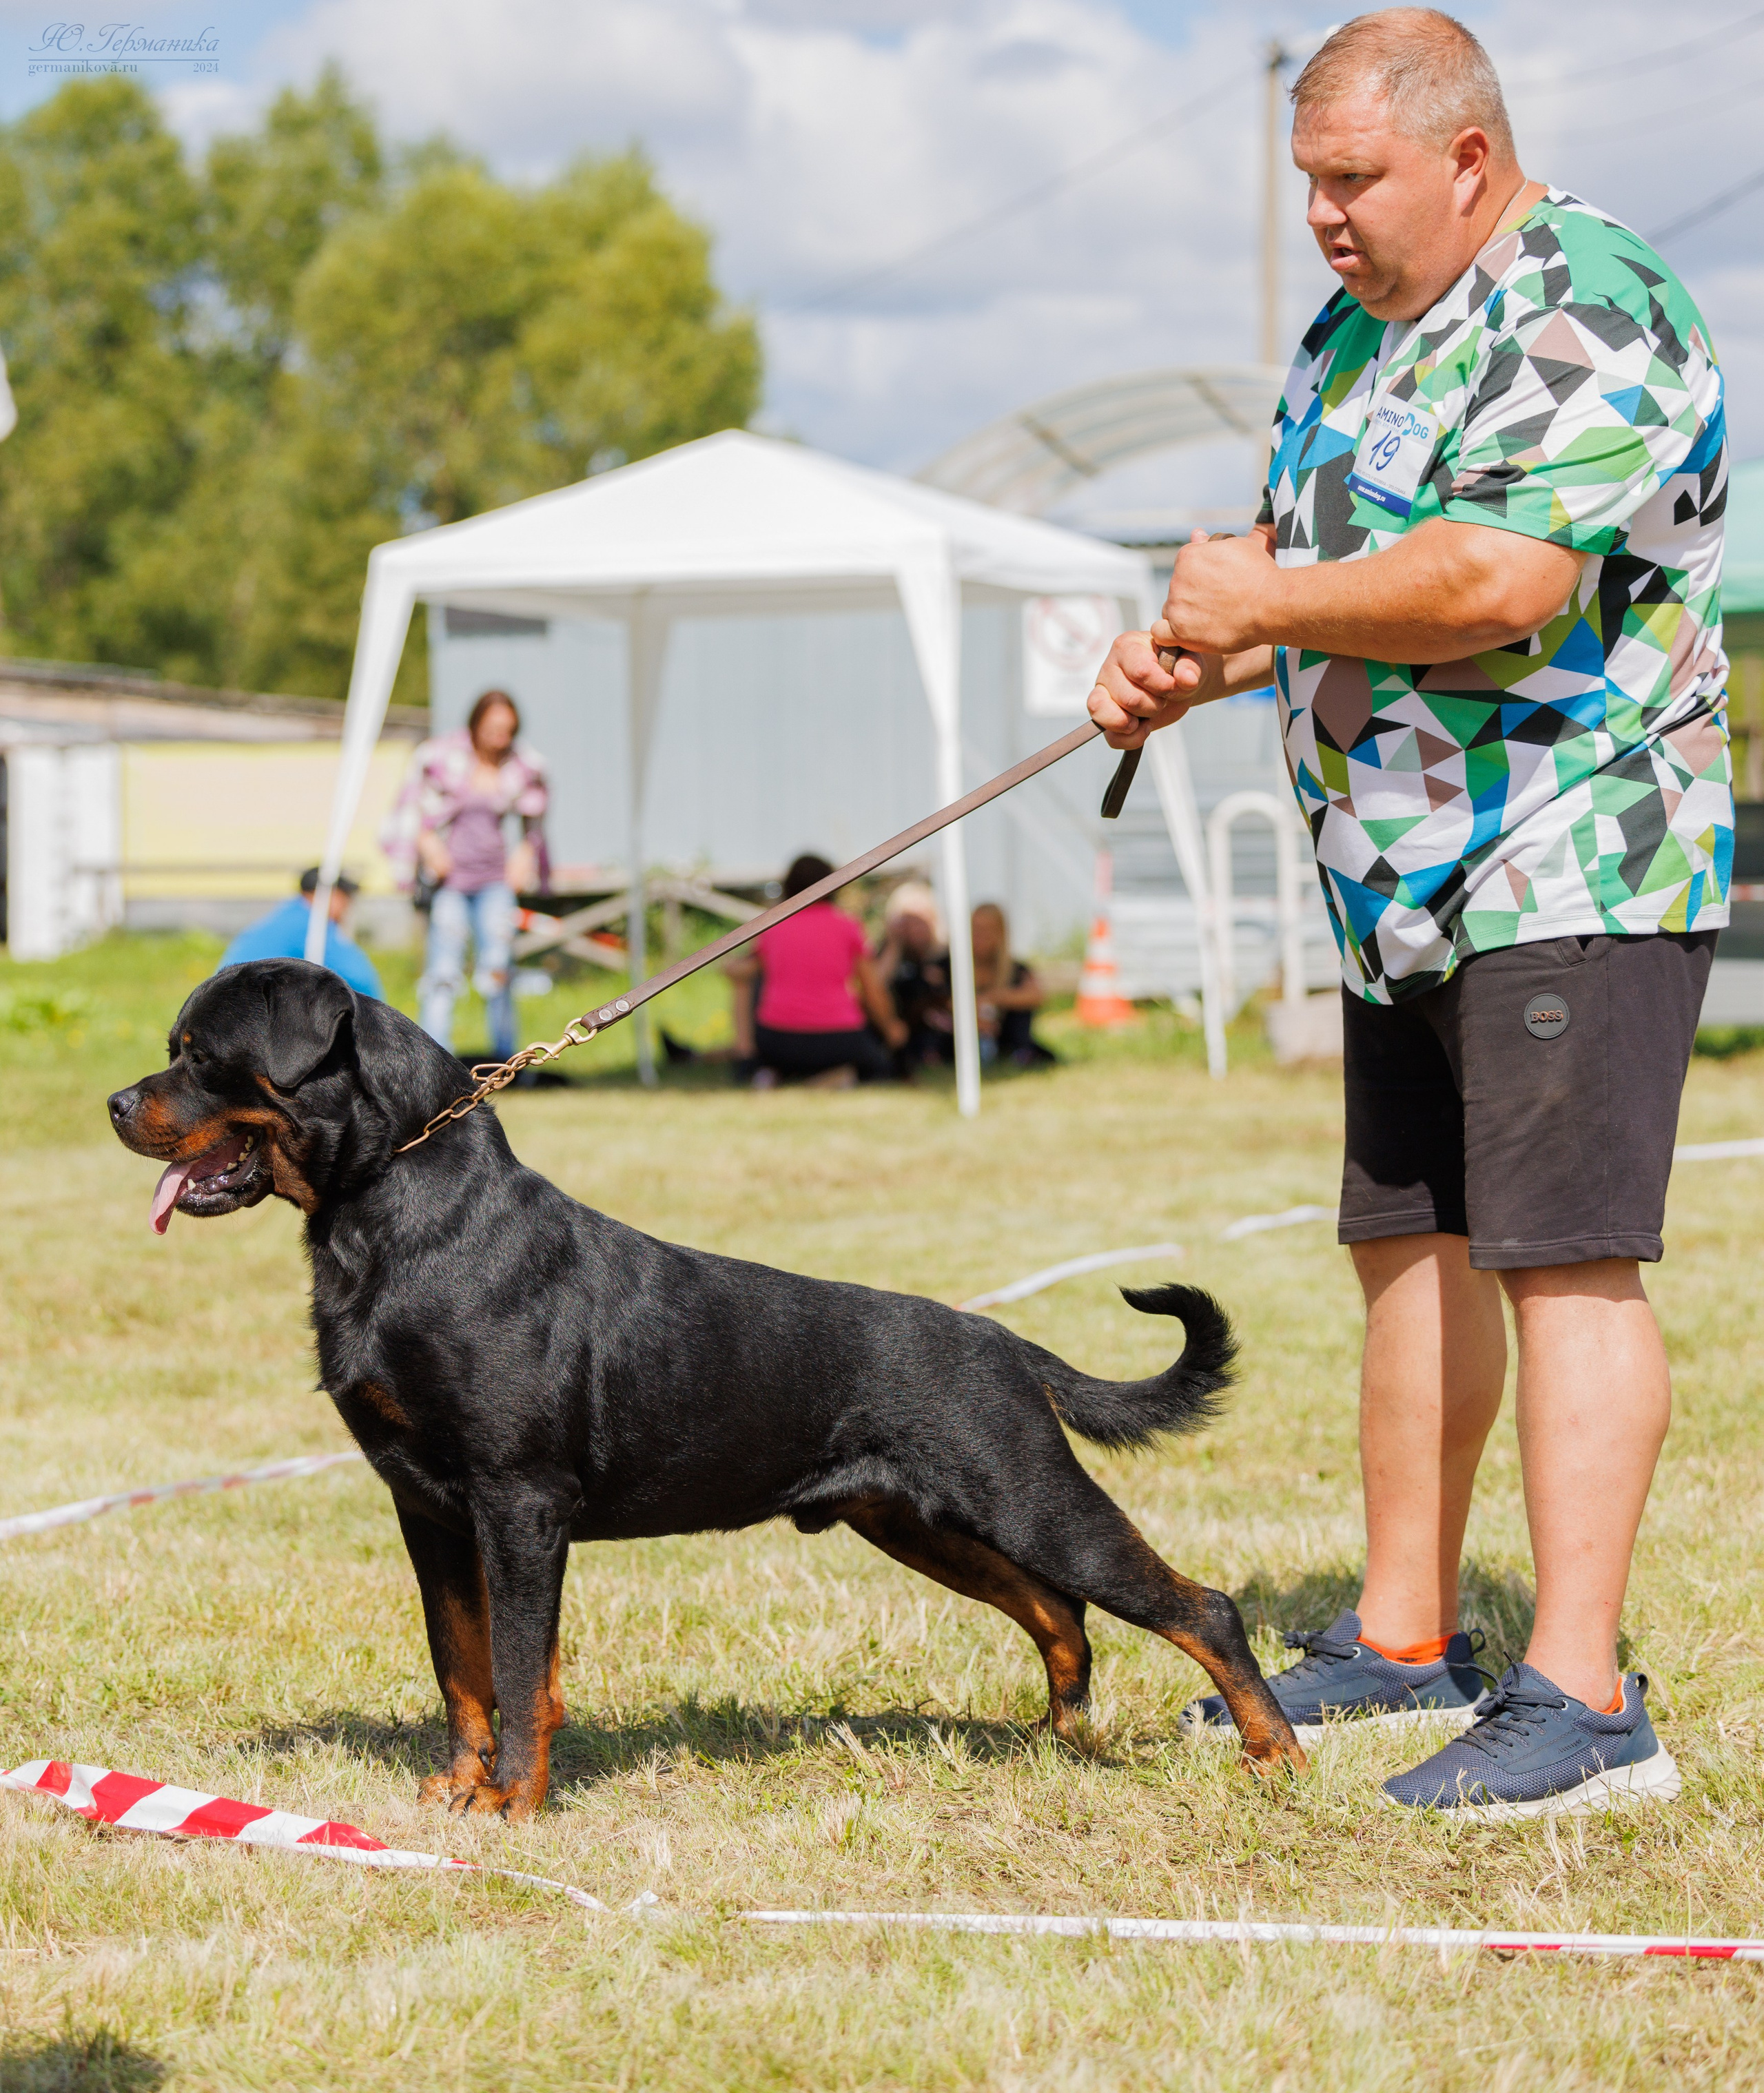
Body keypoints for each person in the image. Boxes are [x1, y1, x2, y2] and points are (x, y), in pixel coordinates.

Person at [1088, 10, 1730, 1817]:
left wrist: (1263, 598)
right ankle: (1403, 1634)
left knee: (1564, 1258)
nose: (1323, 218)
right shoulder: (1352, 334)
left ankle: (1589, 1701)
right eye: (1306, 184)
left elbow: (1498, 577)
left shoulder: (1587, 305)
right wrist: (1194, 660)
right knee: (1410, 1243)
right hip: (1400, 889)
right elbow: (1334, 588)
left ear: (1465, 156)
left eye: (1351, 179)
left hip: (1571, 856)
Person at [382, 690, 548, 1066]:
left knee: (499, 969)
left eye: (507, 730)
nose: (499, 737)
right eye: (492, 729)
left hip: (494, 884)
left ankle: (507, 1059)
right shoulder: (445, 760)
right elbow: (415, 812)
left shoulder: (519, 768)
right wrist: (430, 849)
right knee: (442, 972)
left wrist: (524, 858)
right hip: (452, 884)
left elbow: (534, 823)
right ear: (475, 725)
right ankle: (435, 1059)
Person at [728, 854, 905, 1088]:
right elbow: (872, 990)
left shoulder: (772, 927)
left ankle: (766, 1070)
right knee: (880, 1067)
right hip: (839, 1039)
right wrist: (891, 1028)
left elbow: (741, 972)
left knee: (750, 987)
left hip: (777, 1040)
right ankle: (836, 1077)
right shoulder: (848, 926)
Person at [218, 868, 382, 999]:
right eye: (343, 896)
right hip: (251, 1009)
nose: (348, 905)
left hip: (230, 1002)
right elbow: (359, 978)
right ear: (323, 894)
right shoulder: (312, 927)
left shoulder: (288, 916)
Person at [875, 881, 953, 1071]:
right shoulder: (887, 952)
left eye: (921, 919)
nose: (915, 927)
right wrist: (894, 944)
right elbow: (875, 986)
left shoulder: (948, 956)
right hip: (898, 1031)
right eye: (906, 920)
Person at [971, 903, 1055, 1066]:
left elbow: (1037, 996)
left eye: (988, 930)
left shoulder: (1016, 969)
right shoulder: (948, 967)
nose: (980, 936)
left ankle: (1020, 1054)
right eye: (976, 929)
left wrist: (992, 998)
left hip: (1003, 1037)